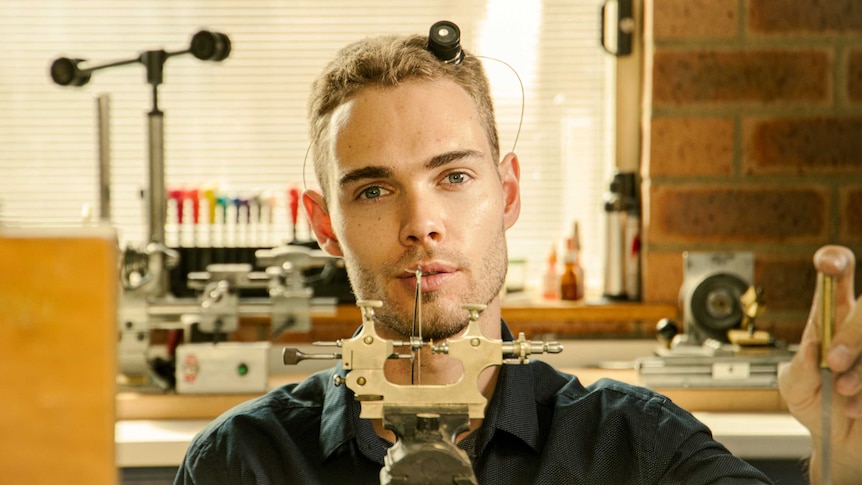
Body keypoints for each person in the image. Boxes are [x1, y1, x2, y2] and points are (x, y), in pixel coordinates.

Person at [174, 30, 862, 484]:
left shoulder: (634, 449)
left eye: (454, 177)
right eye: (376, 189)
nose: (423, 225)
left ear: (507, 193)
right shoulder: (244, 462)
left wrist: (843, 455)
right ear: (324, 224)